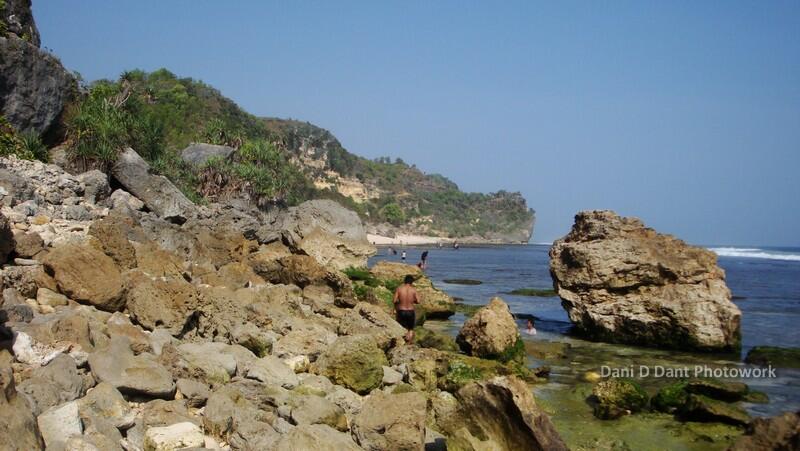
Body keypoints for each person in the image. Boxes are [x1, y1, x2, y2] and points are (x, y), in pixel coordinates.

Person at [393, 275, 420, 344]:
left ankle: (400, 343)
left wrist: (396, 307)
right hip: (410, 311)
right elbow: (418, 301)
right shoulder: (413, 290)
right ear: (412, 282)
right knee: (410, 329)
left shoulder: (399, 289)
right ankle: (408, 344)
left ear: (404, 281)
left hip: (401, 310)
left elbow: (394, 300)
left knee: (400, 327)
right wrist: (412, 301)